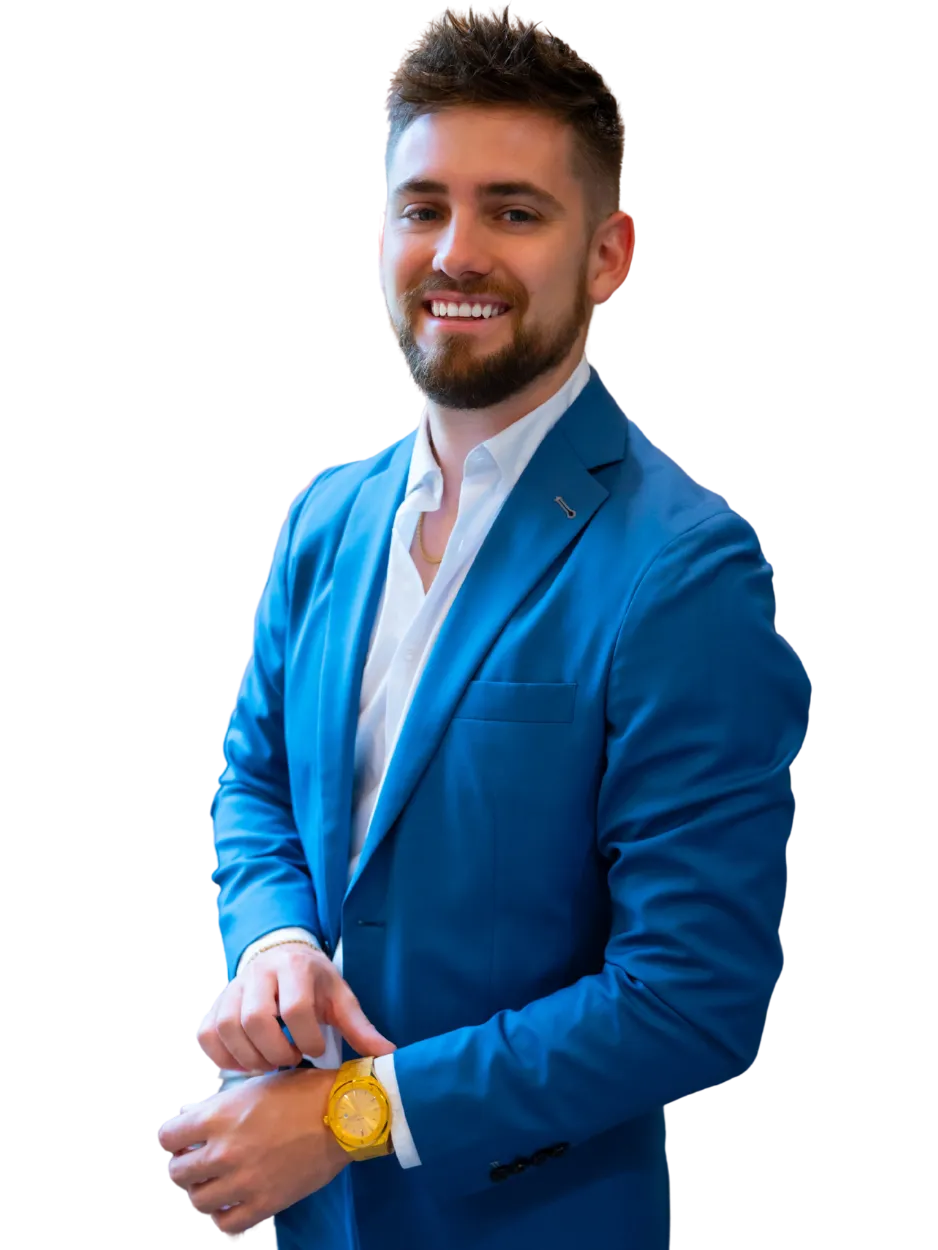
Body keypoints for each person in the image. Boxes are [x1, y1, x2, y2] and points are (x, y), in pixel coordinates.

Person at [158, 9, 812, 1249]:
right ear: (381, 236)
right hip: (309, 1220)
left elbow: (692, 995)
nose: (456, 252)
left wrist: (349, 1113)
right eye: (423, 207)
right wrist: (276, 939)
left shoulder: (683, 567)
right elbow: (253, 781)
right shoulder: (325, 514)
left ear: (608, 255)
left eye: (513, 211)